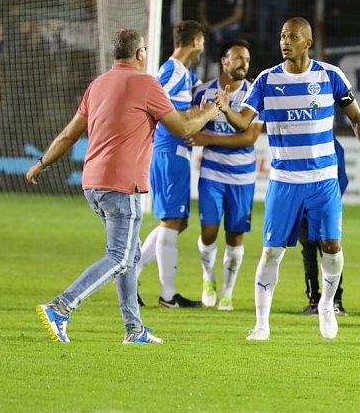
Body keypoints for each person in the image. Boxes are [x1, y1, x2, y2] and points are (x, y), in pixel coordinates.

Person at [30, 29, 220, 344]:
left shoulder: (98, 85)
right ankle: (61, 307)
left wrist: (41, 163)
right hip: (122, 184)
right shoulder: (147, 84)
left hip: (92, 183)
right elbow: (182, 127)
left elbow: (68, 134)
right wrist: (212, 111)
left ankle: (134, 329)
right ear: (140, 53)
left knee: (130, 255)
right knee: (119, 256)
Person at [216, 17, 360, 341]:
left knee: (332, 247)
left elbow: (357, 120)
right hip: (284, 181)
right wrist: (225, 110)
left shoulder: (330, 76)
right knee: (271, 251)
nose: (284, 41)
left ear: (307, 42)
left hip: (323, 180)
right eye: (282, 36)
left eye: (292, 36)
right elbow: (243, 122)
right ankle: (262, 324)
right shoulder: (265, 80)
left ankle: (326, 304)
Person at [189, 39, 263, 311]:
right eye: (239, 58)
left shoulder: (256, 92)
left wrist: (207, 138)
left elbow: (249, 138)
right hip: (212, 174)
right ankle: (208, 278)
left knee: (235, 236)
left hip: (242, 177)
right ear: (224, 61)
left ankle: (228, 293)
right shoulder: (203, 91)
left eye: (247, 58)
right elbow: (191, 123)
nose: (245, 63)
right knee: (208, 231)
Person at [136, 21, 205, 308]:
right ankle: (167, 294)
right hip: (167, 150)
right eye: (202, 42)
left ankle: (132, 272)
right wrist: (185, 116)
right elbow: (153, 101)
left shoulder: (185, 74)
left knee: (179, 221)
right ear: (196, 41)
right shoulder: (173, 70)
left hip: (175, 151)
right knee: (171, 221)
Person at [301, 137, 349, 316]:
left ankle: (323, 301)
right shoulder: (334, 143)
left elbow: (341, 178)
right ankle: (326, 301)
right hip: (314, 207)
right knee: (323, 252)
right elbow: (342, 178)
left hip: (314, 207)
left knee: (320, 252)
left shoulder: (325, 142)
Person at [199, 0, 244, 78]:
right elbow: (202, 7)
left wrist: (218, 26)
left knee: (229, 47)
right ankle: (211, 76)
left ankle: (229, 75)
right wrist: (205, 22)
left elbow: (237, 15)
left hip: (228, 29)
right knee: (208, 49)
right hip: (210, 26)